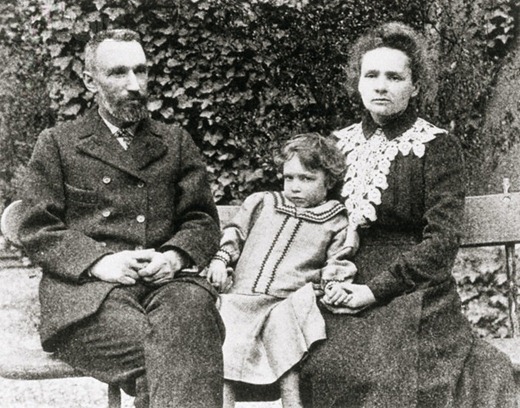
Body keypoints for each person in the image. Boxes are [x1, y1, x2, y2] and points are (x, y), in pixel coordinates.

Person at [298, 22, 517, 407]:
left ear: (415, 86)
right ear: (358, 83)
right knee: (324, 364)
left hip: (412, 287)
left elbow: (442, 240)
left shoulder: (436, 146)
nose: (381, 86)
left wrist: (372, 292)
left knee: (383, 373)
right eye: (371, 75)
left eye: (395, 77)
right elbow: (312, 219)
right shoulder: (337, 145)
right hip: (342, 280)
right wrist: (326, 273)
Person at [17, 29, 224, 408]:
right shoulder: (59, 143)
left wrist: (173, 257)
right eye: (118, 73)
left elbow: (202, 220)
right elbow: (36, 227)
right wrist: (100, 262)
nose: (134, 85)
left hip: (168, 284)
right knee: (180, 357)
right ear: (89, 80)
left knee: (190, 322)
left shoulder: (174, 142)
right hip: (87, 296)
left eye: (140, 71)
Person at [206, 133, 359, 408]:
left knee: (285, 326)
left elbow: (339, 260)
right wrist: (221, 259)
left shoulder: (335, 221)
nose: (295, 187)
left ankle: (292, 403)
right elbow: (234, 233)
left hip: (289, 299)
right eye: (289, 178)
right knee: (227, 326)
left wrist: (334, 284)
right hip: (243, 296)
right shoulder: (263, 203)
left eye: (306, 179)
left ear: (329, 181)